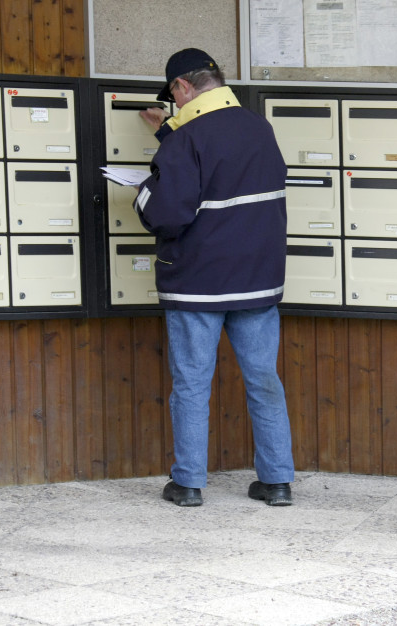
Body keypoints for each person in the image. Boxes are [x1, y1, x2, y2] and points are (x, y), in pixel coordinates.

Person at [134, 48, 294, 507]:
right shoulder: (258, 127)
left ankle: (187, 484)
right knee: (264, 381)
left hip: (198, 284)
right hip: (257, 281)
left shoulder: (186, 139)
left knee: (191, 384)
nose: (176, 107)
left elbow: (168, 214)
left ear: (182, 88)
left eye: (175, 99)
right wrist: (167, 131)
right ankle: (277, 481)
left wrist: (144, 190)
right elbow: (223, 166)